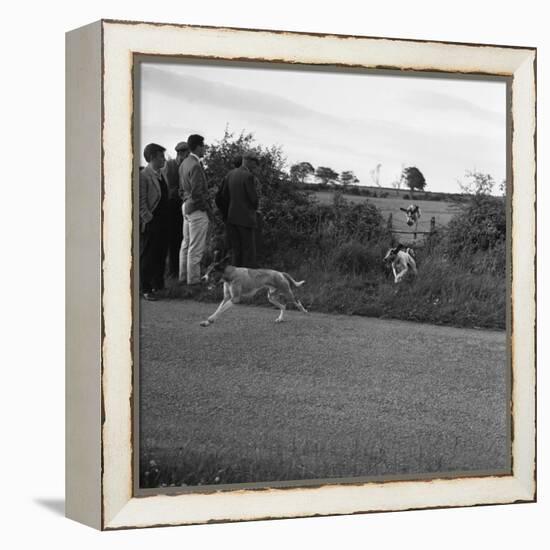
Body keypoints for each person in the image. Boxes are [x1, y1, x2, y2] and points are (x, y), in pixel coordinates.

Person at [178, 134, 212, 285]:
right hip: (196, 208)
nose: (205, 149)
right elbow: (198, 193)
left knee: (186, 244)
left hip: (186, 205)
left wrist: (187, 201)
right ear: (198, 146)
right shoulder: (196, 165)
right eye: (203, 146)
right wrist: (206, 209)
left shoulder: (184, 163)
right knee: (196, 247)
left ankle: (183, 277)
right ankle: (194, 281)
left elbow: (182, 189)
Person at [139, 143, 170, 300]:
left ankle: (158, 285)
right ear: (152, 158)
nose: (164, 159)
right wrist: (148, 218)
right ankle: (145, 288)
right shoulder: (144, 175)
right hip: (153, 221)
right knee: (149, 254)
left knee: (160, 254)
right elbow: (141, 200)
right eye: (161, 156)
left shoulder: (160, 174)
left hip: (163, 220)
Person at [221, 152, 260, 267]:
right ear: (249, 161)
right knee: (248, 251)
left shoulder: (230, 174)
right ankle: (248, 281)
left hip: (231, 218)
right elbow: (253, 199)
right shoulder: (248, 176)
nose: (255, 166)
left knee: (236, 250)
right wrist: (255, 207)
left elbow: (223, 196)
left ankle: (235, 278)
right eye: (255, 163)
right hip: (246, 218)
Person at [162, 141, 189, 278]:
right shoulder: (171, 165)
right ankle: (174, 270)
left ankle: (179, 270)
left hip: (180, 204)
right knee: (175, 238)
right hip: (173, 204)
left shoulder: (178, 165)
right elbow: (167, 186)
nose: (184, 156)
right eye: (184, 153)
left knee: (182, 238)